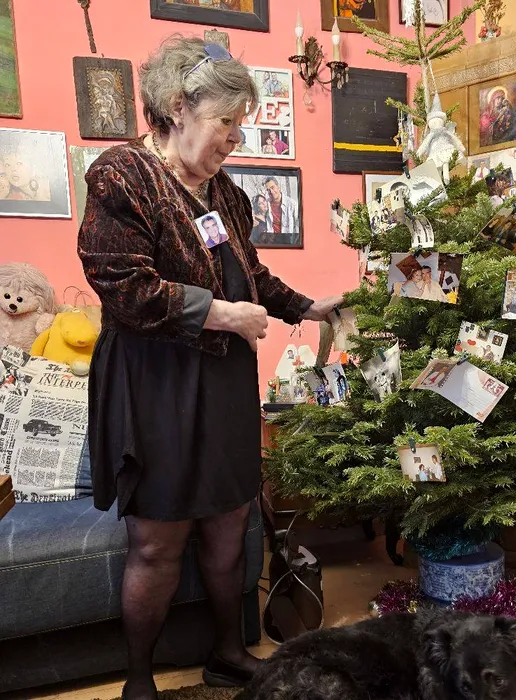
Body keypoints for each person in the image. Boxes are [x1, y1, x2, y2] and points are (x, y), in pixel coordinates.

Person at [77, 35, 343, 700]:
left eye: (239, 122)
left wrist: (307, 307)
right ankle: (139, 680)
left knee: (229, 529)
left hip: (222, 383)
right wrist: (222, 315)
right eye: (226, 120)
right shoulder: (121, 176)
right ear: (177, 108)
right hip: (155, 384)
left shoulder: (226, 194)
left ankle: (226, 654)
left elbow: (249, 275)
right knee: (157, 544)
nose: (236, 136)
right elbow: (124, 288)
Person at [264, 175, 298, 245]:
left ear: (278, 187)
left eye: (272, 187)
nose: (271, 191)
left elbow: (297, 227)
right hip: (271, 243)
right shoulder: (266, 204)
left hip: (287, 243)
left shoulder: (292, 204)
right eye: (268, 190)